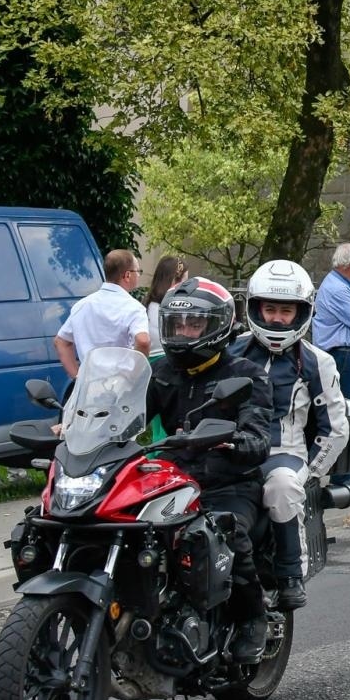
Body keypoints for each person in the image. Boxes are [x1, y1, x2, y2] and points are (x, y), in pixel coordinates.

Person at [148, 277, 273, 664]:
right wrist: (73, 423)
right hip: (172, 480)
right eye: (177, 325)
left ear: (216, 326)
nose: (184, 333)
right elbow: (123, 410)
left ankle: (254, 618)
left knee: (223, 529)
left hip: (228, 482)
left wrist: (233, 441)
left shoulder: (245, 374)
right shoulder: (159, 372)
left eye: (195, 325)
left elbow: (258, 436)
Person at [230, 260, 349, 611]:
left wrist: (309, 474)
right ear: (255, 308)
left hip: (284, 452)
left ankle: (289, 575)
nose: (277, 319)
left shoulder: (316, 362)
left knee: (282, 487)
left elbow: (335, 427)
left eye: (286, 310)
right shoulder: (231, 351)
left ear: (301, 312)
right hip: (231, 451)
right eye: (270, 309)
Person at [311, 243, 350, 487]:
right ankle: (340, 474)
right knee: (345, 414)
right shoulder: (337, 288)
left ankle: (348, 468)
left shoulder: (347, 287)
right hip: (342, 355)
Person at [54, 248, 151, 379]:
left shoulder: (82, 306)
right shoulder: (134, 308)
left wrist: (77, 377)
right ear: (127, 275)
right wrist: (135, 375)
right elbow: (143, 341)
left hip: (90, 386)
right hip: (121, 386)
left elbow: (61, 341)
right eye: (137, 271)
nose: (138, 275)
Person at [145, 256, 187, 359]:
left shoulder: (149, 305)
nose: (186, 286)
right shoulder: (168, 310)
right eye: (185, 281)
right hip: (165, 365)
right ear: (174, 281)